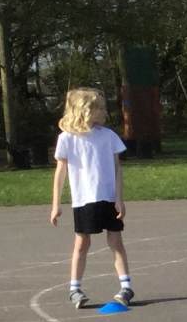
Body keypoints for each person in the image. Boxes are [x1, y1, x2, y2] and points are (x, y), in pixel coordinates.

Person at [49, 87, 134, 309]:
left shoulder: (109, 136)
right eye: (100, 108)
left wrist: (119, 198)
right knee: (82, 243)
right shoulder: (67, 139)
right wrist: (56, 204)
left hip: (108, 198)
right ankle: (75, 289)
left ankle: (126, 286)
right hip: (83, 199)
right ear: (86, 110)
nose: (105, 112)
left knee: (115, 241)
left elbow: (117, 169)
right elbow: (60, 173)